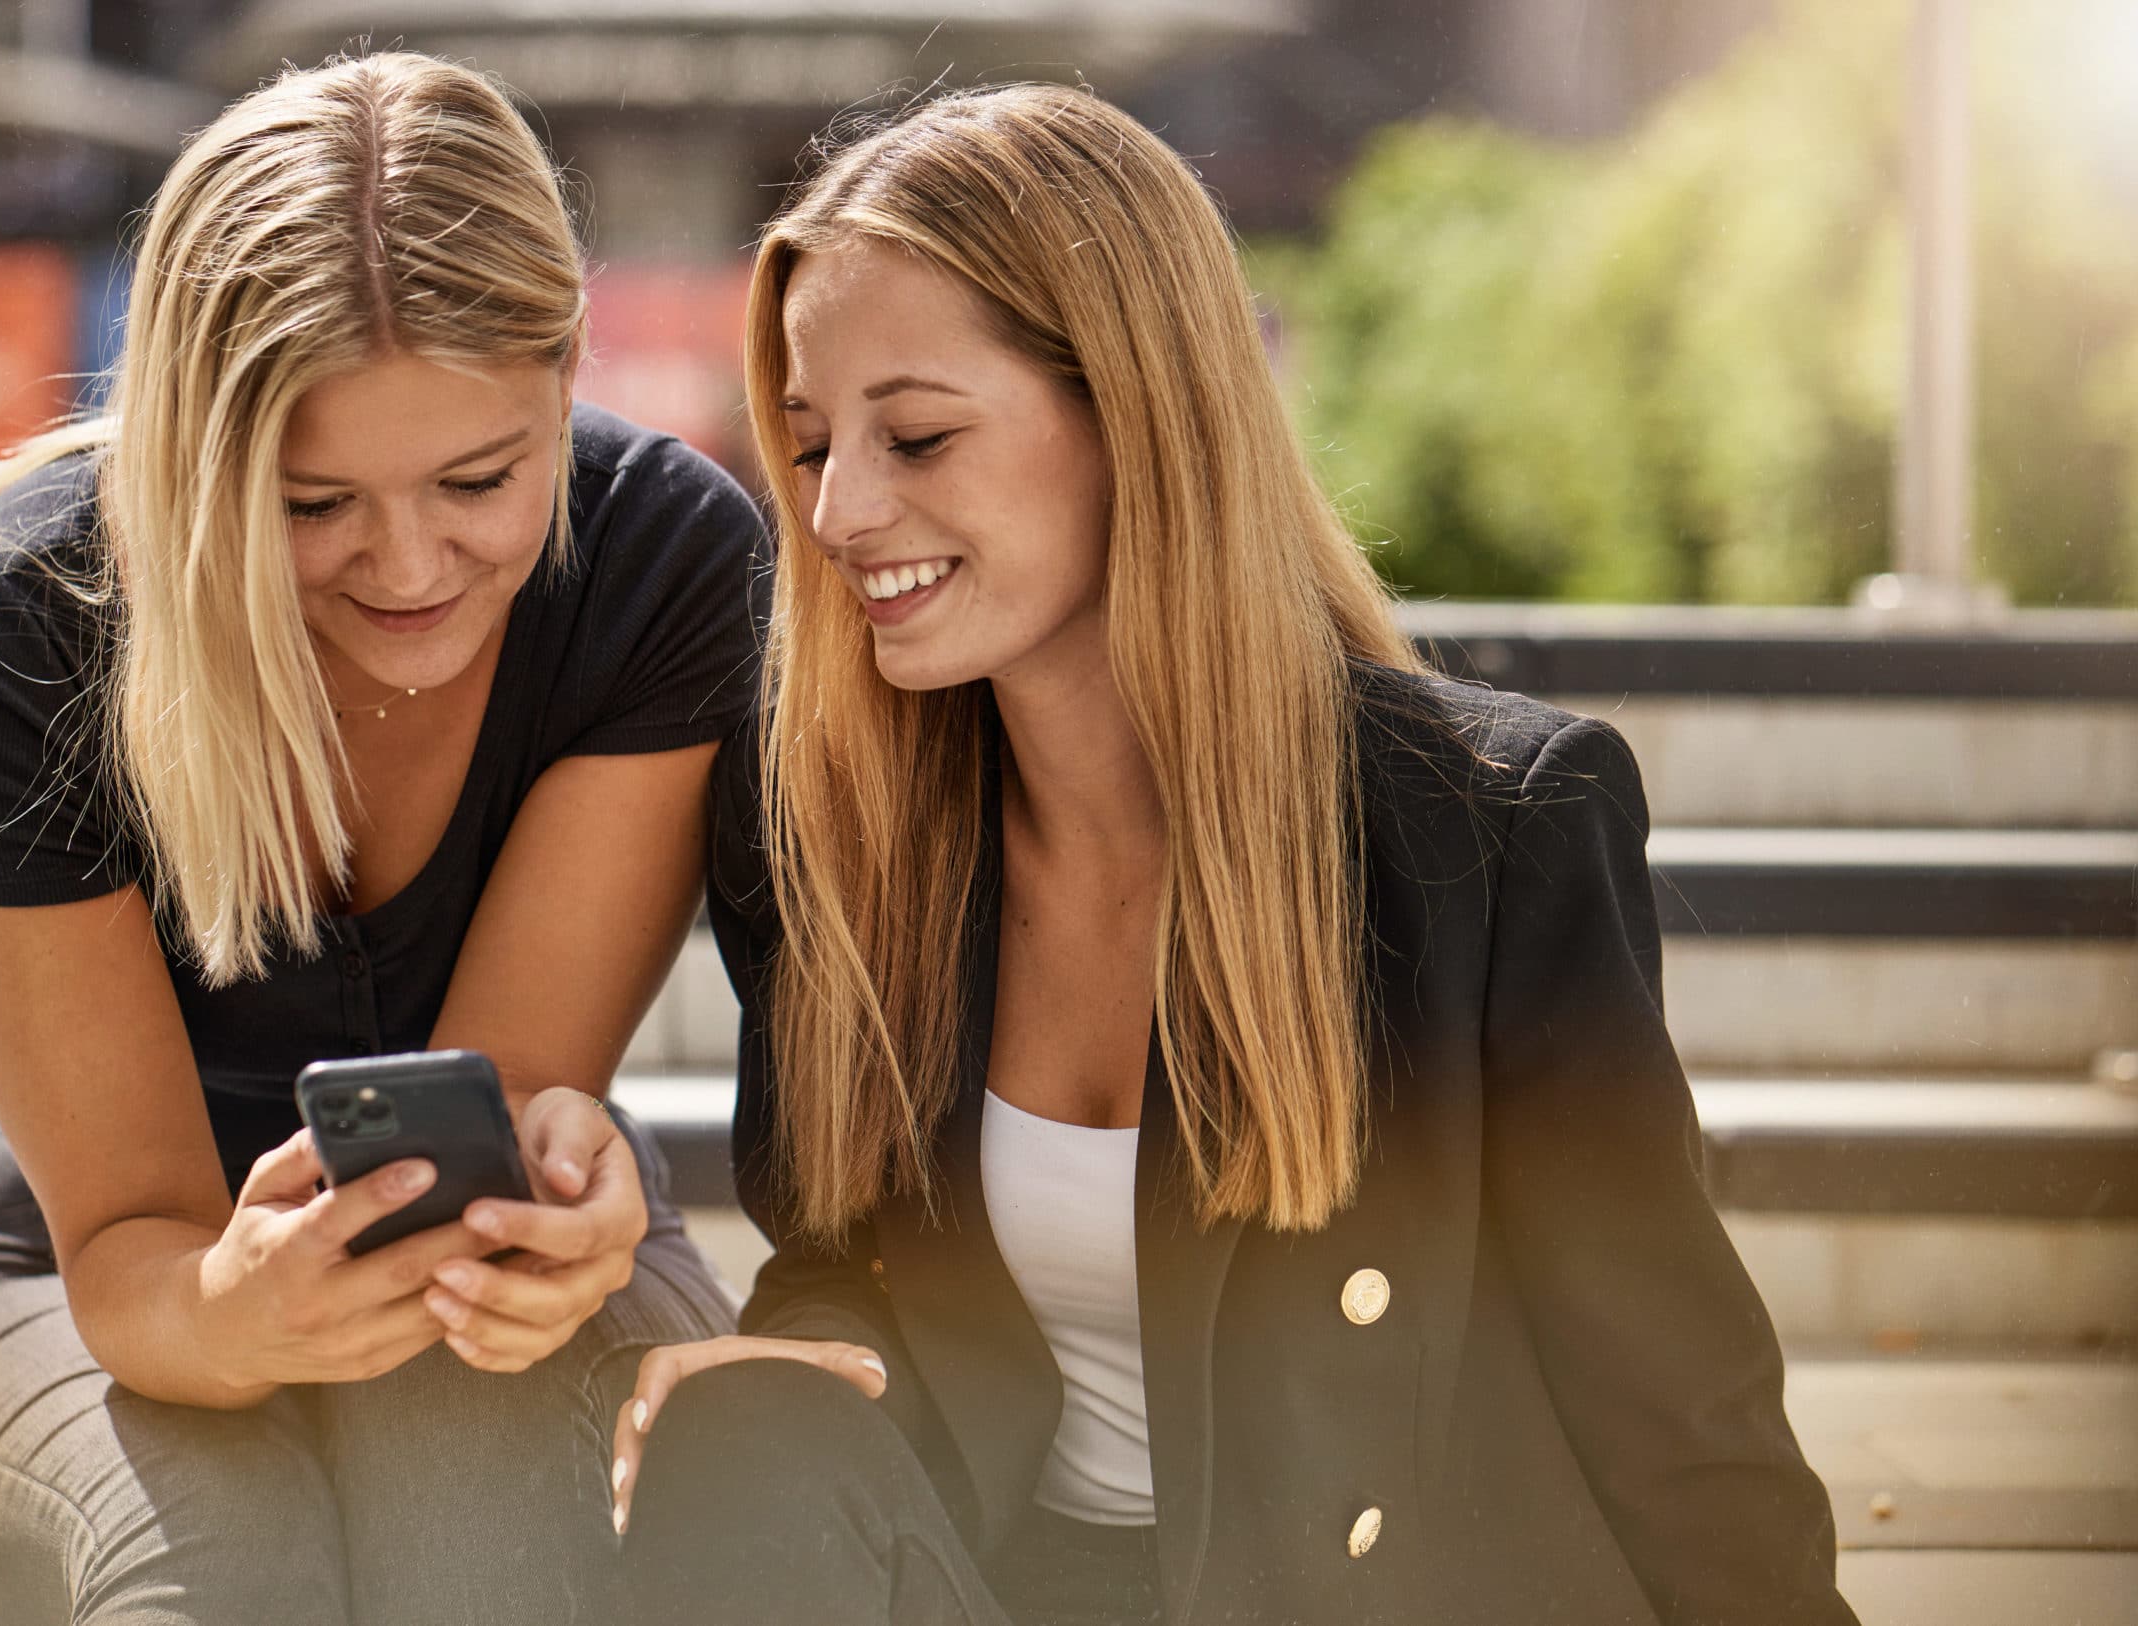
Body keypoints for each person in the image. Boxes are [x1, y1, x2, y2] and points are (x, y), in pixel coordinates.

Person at [608, 85, 1861, 1626]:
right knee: (731, 1435)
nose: (840, 508)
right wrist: (780, 1381)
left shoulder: (1486, 829)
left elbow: (1677, 1405)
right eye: (806, 445)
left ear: (1132, 408)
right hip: (996, 1590)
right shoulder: (838, 839)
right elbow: (839, 1261)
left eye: (917, 434)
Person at [0, 52, 755, 1626]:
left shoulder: (662, 565)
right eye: (308, 502)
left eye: (482, 478)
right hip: (80, 1286)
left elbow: (472, 1183)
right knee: (226, 1554)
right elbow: (127, 1251)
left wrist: (567, 1216)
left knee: (472, 1499)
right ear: (196, 452)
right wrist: (226, 1314)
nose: (409, 565)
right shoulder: (10, 637)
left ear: (570, 375)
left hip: (514, 1258)